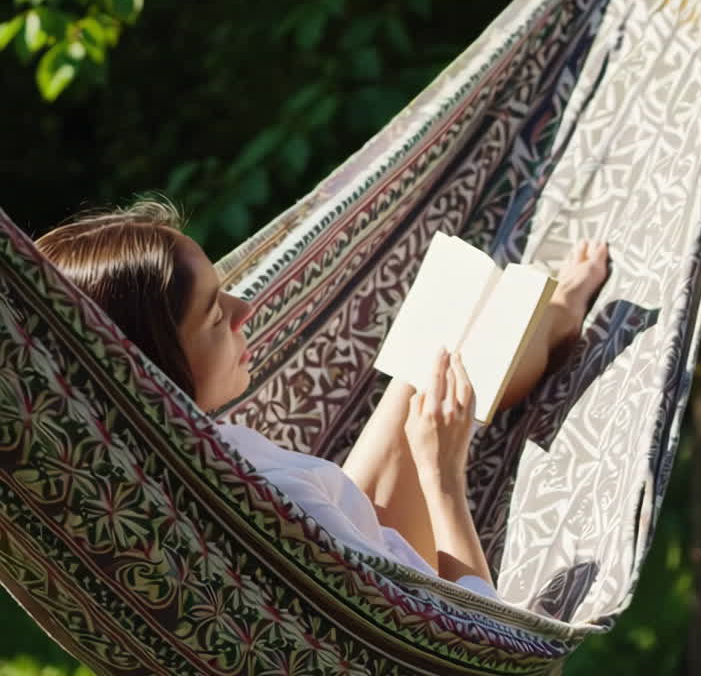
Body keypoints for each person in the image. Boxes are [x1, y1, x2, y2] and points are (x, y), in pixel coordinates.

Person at [36, 200, 608, 600]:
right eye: (215, 314)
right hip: (404, 609)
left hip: (359, 539)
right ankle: (554, 320)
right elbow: (480, 634)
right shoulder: (266, 503)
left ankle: (550, 320)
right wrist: (444, 474)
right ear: (155, 366)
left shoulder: (158, 465)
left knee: (435, 352)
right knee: (444, 364)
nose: (244, 308)